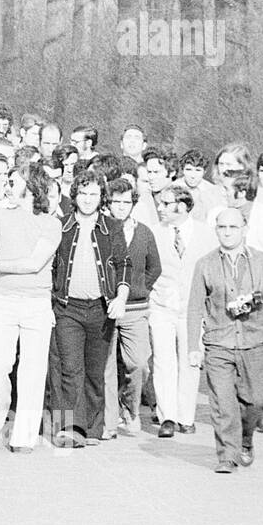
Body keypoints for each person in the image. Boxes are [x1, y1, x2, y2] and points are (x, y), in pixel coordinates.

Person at [187, 207, 263, 473]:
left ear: (244, 229)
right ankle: (227, 455)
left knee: (256, 401)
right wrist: (193, 347)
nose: (228, 232)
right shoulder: (205, 264)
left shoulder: (262, 262)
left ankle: (246, 438)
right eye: (222, 227)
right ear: (216, 231)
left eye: (233, 227)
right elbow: (195, 308)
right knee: (223, 403)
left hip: (254, 344)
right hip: (218, 345)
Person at [0, 164, 61, 452]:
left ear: (30, 184)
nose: (7, 186)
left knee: (33, 372)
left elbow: (34, 263)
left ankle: (24, 437)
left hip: (37, 304)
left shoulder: (51, 223)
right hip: (4, 302)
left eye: (13, 181)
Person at [48, 170, 131, 446]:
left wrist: (120, 296)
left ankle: (93, 429)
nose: (87, 199)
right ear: (75, 195)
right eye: (83, 193)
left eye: (93, 194)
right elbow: (52, 266)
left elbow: (123, 265)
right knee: (70, 369)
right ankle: (72, 429)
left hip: (100, 309)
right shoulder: (61, 226)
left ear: (101, 197)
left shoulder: (112, 227)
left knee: (95, 371)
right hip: (67, 308)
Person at [149, 184, 218, 436]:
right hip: (162, 306)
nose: (160, 207)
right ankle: (167, 416)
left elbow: (213, 272)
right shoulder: (154, 233)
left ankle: (185, 416)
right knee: (163, 360)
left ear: (182, 206)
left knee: (190, 361)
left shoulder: (206, 235)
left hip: (192, 309)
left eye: (166, 203)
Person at [104, 179, 161, 436]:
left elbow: (154, 268)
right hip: (105, 307)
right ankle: (109, 416)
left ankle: (131, 408)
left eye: (126, 202)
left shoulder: (144, 233)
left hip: (135, 308)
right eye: (116, 202)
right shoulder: (100, 230)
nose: (121, 207)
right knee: (106, 365)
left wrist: (140, 288)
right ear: (108, 202)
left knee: (138, 363)